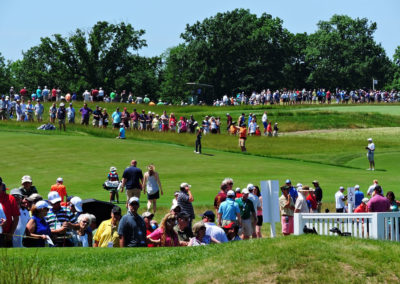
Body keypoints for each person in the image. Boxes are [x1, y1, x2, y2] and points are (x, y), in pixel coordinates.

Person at [0, 177, 20, 247]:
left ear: (1, 186)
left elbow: (16, 217)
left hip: (6, 235)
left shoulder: (10, 198)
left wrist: (11, 233)